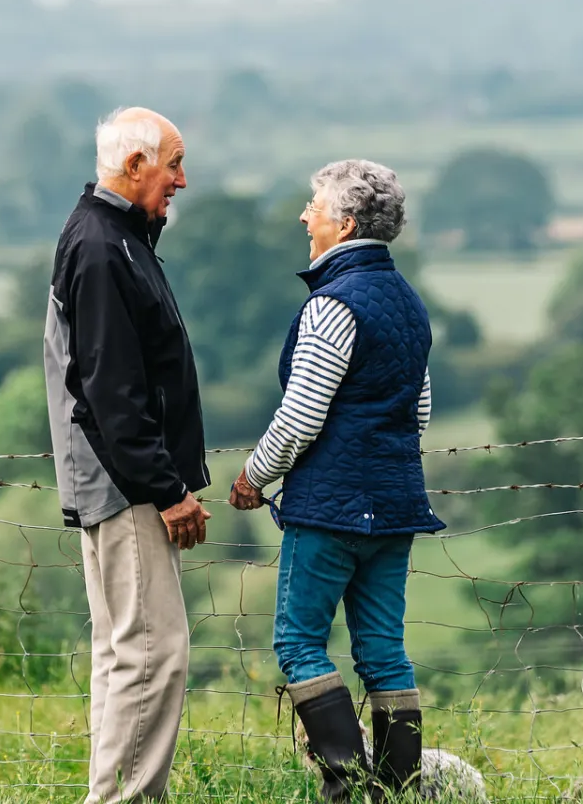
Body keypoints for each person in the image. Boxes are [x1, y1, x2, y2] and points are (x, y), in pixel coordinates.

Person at [229, 159, 444, 803]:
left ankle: (345, 787)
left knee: (299, 645)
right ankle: (397, 792)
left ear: (344, 224)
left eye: (314, 206)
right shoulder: (410, 306)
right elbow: (420, 410)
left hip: (329, 509)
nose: (304, 215)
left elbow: (300, 418)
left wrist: (251, 476)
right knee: (383, 649)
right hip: (397, 505)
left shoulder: (330, 306)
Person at [43, 106, 212, 803]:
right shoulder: (104, 247)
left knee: (123, 655)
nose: (181, 179)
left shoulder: (116, 237)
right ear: (135, 165)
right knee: (152, 653)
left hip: (116, 479)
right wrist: (166, 488)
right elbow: (112, 389)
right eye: (172, 163)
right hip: (125, 485)